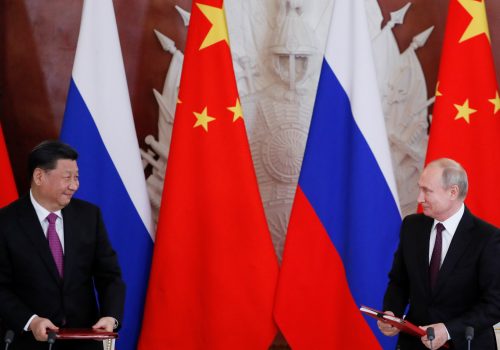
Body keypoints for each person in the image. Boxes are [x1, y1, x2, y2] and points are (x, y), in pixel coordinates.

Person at [0, 140, 125, 349]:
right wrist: (31, 321)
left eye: (76, 177)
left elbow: (109, 275)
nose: (74, 185)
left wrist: (111, 316)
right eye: (67, 177)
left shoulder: (89, 216)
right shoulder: (6, 222)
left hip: (83, 339)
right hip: (27, 342)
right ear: (39, 176)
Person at [378, 158, 500, 349]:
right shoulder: (411, 226)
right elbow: (399, 281)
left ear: (453, 192)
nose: (419, 198)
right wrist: (391, 313)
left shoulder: (488, 238)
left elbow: (495, 304)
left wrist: (449, 330)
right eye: (420, 189)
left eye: (427, 191)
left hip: (464, 344)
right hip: (415, 344)